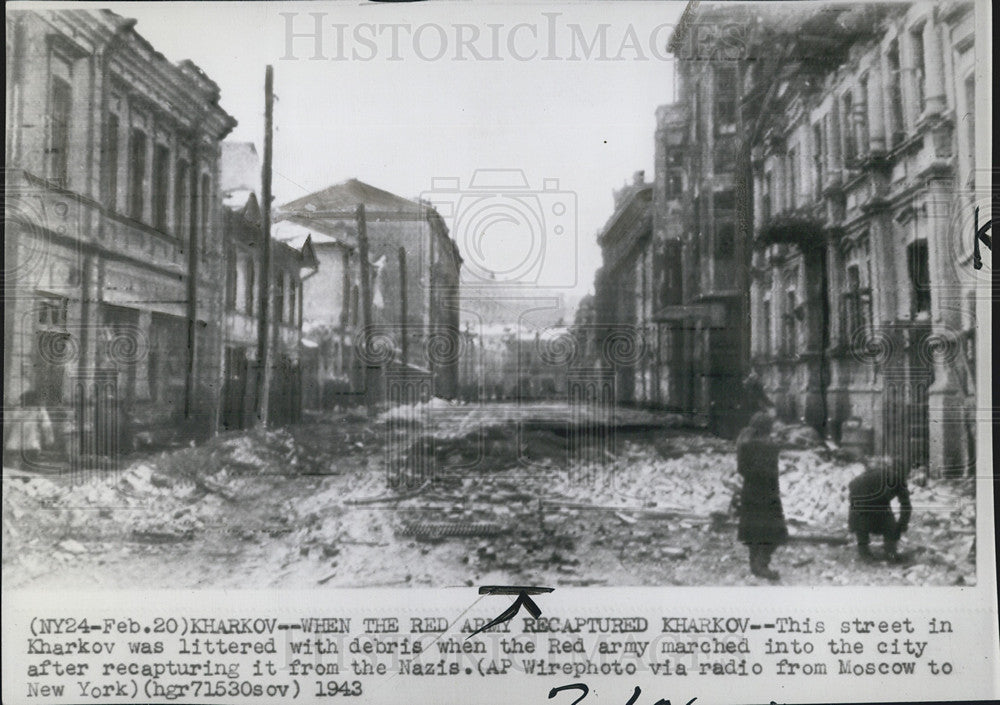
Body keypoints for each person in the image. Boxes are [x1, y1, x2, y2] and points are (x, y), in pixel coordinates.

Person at [736, 412, 788, 580]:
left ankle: (754, 563)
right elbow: (773, 471)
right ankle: (762, 564)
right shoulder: (771, 446)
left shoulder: (744, 445)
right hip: (768, 493)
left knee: (753, 529)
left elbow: (742, 469)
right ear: (768, 428)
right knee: (773, 531)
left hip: (750, 491)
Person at [848, 456, 912, 563]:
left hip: (862, 506)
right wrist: (902, 524)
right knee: (889, 524)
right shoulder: (898, 479)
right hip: (871, 507)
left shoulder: (866, 476)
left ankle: (864, 551)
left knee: (862, 518)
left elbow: (852, 499)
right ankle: (890, 551)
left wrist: (852, 523)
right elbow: (906, 505)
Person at [3, 390, 55, 470]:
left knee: (13, 473)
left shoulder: (15, 410)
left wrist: (5, 441)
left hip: (13, 446)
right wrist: (49, 441)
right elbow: (47, 426)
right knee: (28, 472)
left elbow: (6, 426)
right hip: (31, 446)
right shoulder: (40, 410)